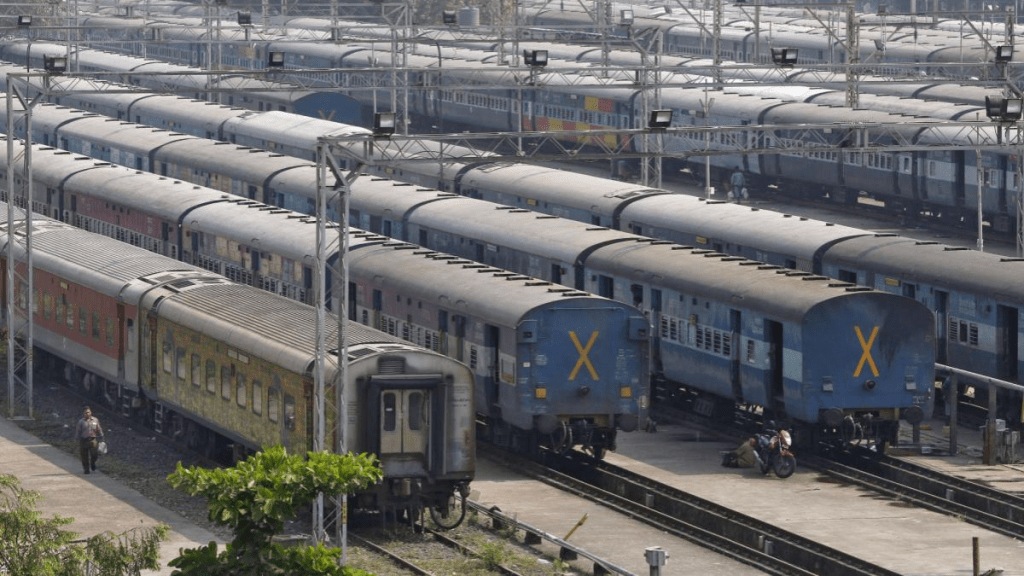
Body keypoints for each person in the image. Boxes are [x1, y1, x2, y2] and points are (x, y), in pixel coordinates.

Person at [75, 406, 104, 474]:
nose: (87, 414)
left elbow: (99, 429)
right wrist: (77, 439)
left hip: (93, 440)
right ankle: (86, 469)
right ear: (83, 414)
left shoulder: (95, 420)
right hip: (84, 440)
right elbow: (78, 431)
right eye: (85, 413)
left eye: (88, 412)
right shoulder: (81, 422)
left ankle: (92, 463)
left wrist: (101, 436)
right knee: (84, 456)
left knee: (94, 454)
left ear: (91, 412)